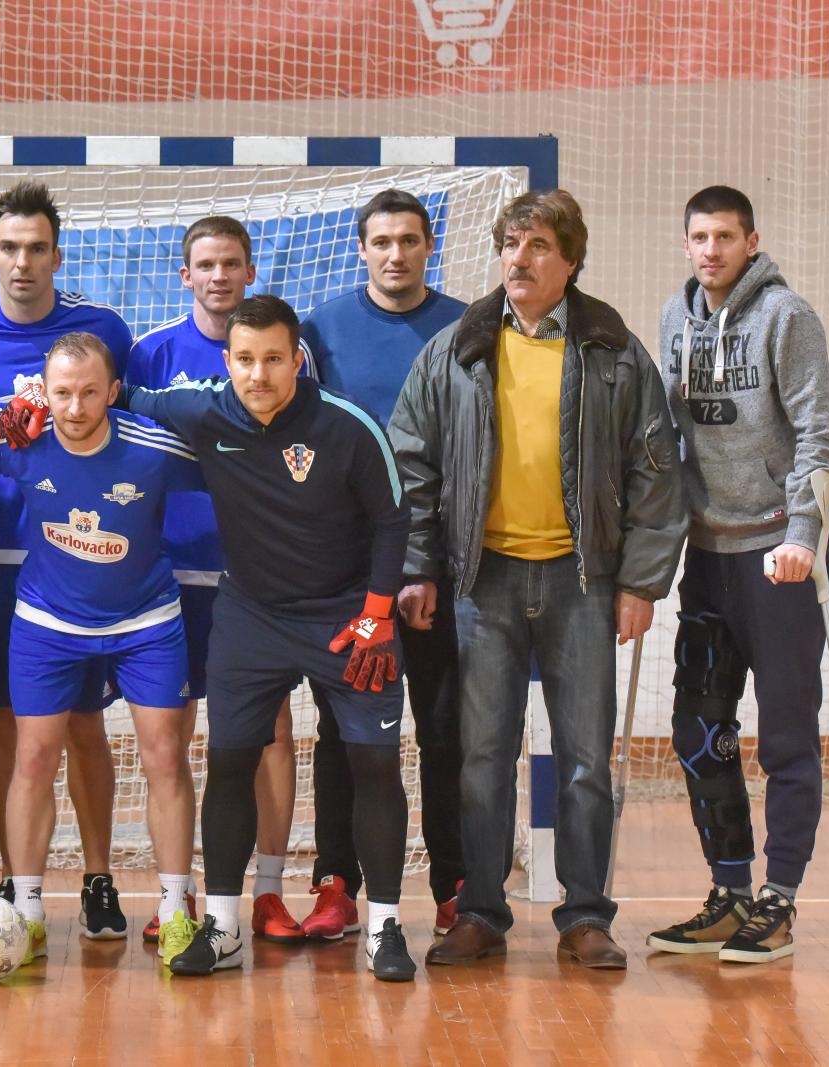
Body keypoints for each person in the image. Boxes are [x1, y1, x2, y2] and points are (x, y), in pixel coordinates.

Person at [17, 295, 417, 981]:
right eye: (244, 359)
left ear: (297, 359)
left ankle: (383, 925)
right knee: (230, 762)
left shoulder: (350, 425)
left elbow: (392, 518)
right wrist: (30, 399)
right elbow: (116, 395)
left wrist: (379, 611)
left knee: (374, 763)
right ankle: (224, 925)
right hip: (251, 615)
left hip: (347, 617)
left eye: (272, 359)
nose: (258, 374)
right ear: (226, 361)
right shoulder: (204, 409)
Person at [389, 189, 687, 971]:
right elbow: (411, 464)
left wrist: (642, 583)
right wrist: (419, 566)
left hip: (582, 583)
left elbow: (656, 474)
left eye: (536, 247)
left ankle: (585, 913)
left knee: (586, 758)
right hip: (480, 584)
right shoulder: (457, 348)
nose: (517, 260)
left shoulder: (616, 351)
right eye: (509, 246)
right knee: (481, 756)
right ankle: (481, 910)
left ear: (572, 261)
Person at [647, 185, 829, 964]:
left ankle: (781, 900)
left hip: (779, 556)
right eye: (699, 236)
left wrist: (803, 535)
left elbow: (820, 438)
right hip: (708, 552)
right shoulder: (673, 315)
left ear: (751, 241)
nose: (711, 250)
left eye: (726, 236)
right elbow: (665, 432)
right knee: (698, 727)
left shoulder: (786, 317)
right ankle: (729, 891)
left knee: (788, 736)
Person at [0, 181, 135, 937]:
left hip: (79, 559)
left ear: (58, 253)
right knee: (8, 725)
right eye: (10, 247)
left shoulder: (102, 329)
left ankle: (98, 878)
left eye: (37, 247)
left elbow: (130, 436)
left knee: (83, 725)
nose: (23, 261)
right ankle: (23, 880)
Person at [0, 332, 202, 968]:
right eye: (62, 393)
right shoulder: (20, 443)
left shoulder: (153, 448)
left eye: (88, 393)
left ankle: (176, 908)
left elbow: (234, 458)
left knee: (164, 756)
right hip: (48, 623)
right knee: (34, 758)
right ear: (43, 393)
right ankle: (25, 909)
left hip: (146, 622)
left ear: (112, 391)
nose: (75, 408)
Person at [125, 215, 318, 945]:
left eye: (231, 262)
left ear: (250, 271)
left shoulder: (285, 357)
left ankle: (266, 891)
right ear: (185, 275)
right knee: (168, 743)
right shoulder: (148, 354)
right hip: (166, 576)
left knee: (268, 734)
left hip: (256, 577)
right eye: (205, 264)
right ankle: (177, 893)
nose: (218, 275)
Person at [297, 190, 469, 940]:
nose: (395, 253)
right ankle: (336, 881)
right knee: (345, 730)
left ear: (430, 245)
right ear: (360, 248)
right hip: (348, 567)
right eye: (381, 240)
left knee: (444, 730)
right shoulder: (321, 329)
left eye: (408, 239)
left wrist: (426, 560)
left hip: (442, 567)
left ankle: (456, 884)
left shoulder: (469, 325)